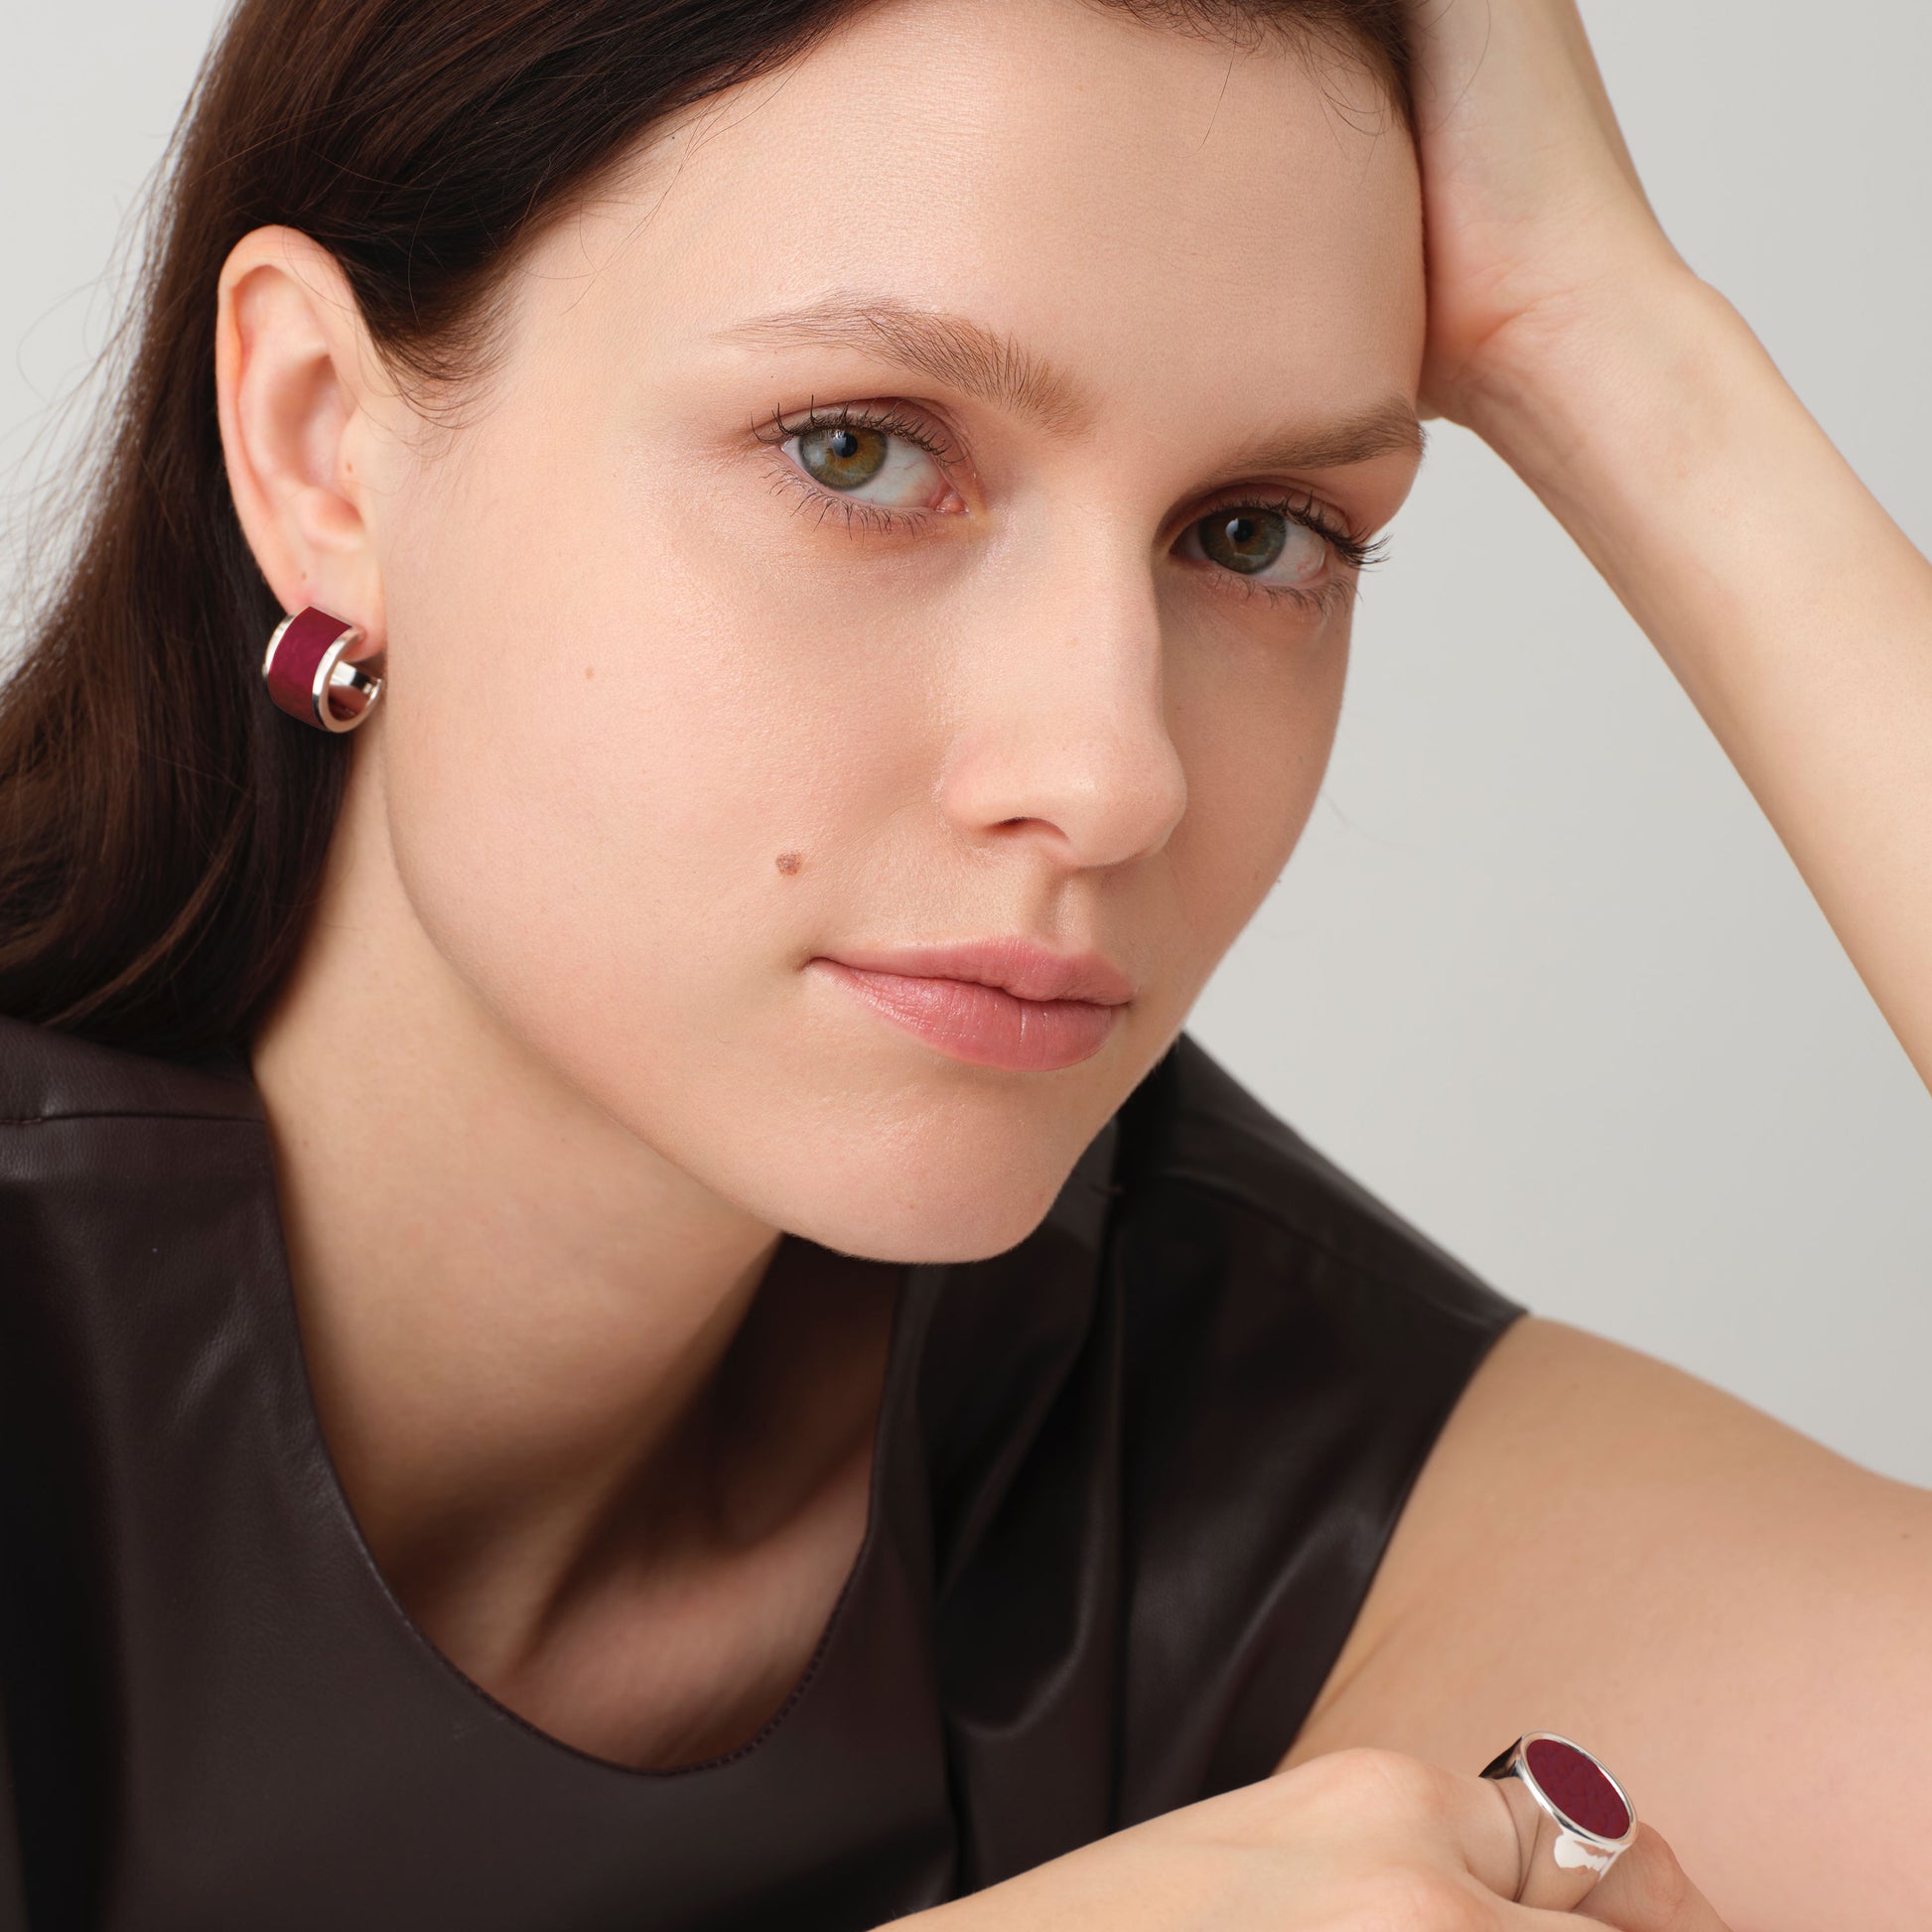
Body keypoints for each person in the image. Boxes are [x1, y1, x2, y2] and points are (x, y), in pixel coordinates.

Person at [0, 0, 1926, 1925]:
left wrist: (1613, 342)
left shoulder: (1236, 1440)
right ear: (321, 445)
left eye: (1258, 531)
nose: (1111, 774)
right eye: (857, 450)